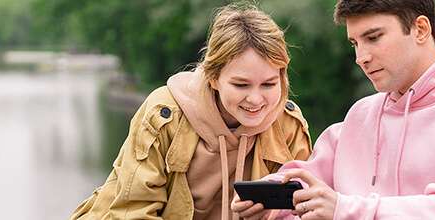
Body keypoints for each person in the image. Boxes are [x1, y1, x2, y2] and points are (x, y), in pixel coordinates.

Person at [232, 0, 435, 219]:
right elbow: (309, 182)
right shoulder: (361, 116)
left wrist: (346, 210)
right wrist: (268, 199)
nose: (361, 57)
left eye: (373, 38)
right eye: (354, 43)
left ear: (419, 29)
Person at [70, 2, 312, 220]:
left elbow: (305, 210)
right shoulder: (163, 115)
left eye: (269, 84)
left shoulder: (288, 125)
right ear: (213, 77)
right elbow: (132, 211)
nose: (256, 99)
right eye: (241, 84)